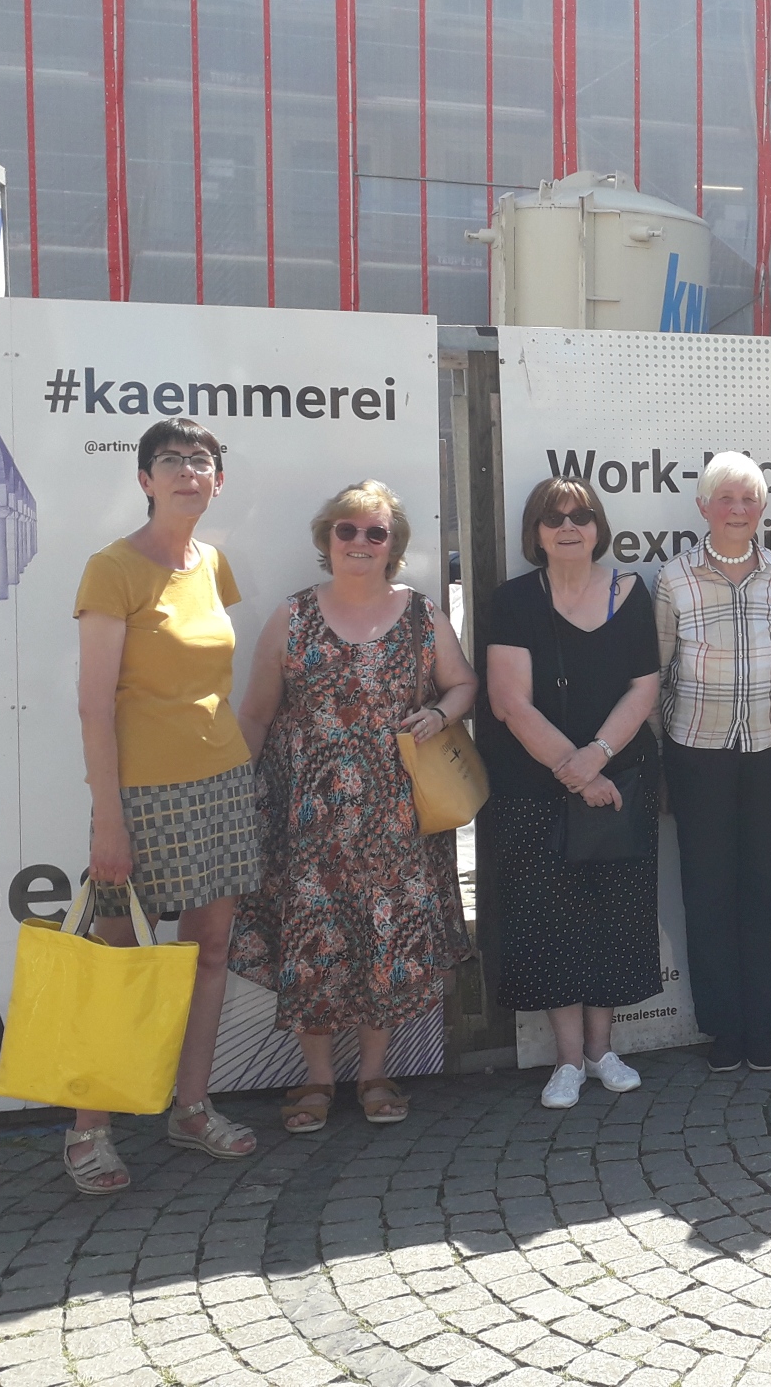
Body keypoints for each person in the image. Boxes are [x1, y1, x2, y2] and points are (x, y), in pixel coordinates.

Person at [229, 481, 478, 1131]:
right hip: (307, 819)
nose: (361, 543)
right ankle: (315, 1080)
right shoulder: (292, 616)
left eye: (376, 533)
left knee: (385, 942)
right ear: (327, 538)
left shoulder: (423, 615)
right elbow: (255, 714)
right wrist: (229, 794)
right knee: (312, 942)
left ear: (392, 545)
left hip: (395, 816)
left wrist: (439, 712)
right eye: (348, 530)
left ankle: (374, 1073)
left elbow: (464, 684)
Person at [63, 419, 261, 1194]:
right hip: (140, 797)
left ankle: (190, 1107)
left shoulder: (214, 563)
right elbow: (91, 705)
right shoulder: (111, 568)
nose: (187, 472)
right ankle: (89, 1131)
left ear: (218, 481)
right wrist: (107, 818)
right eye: (170, 461)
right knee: (121, 964)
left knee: (209, 954)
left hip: (222, 786)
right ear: (145, 479)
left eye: (200, 461)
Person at [481, 477, 662, 1109]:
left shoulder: (631, 593)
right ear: (535, 531)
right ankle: (565, 1061)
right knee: (550, 918)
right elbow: (509, 702)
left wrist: (597, 760)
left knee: (613, 915)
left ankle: (601, 1050)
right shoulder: (512, 602)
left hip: (620, 782)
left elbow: (644, 686)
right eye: (554, 517)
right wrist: (574, 771)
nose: (568, 525)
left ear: (598, 526)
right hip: (537, 788)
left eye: (582, 515)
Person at [654, 453, 771, 1073]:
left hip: (769, 749)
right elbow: (657, 669)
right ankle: (723, 1027)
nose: (738, 510)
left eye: (749, 500)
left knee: (765, 890)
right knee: (707, 892)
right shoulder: (675, 576)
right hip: (698, 752)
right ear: (703, 507)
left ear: (763, 509)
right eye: (726, 499)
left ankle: (761, 1022)